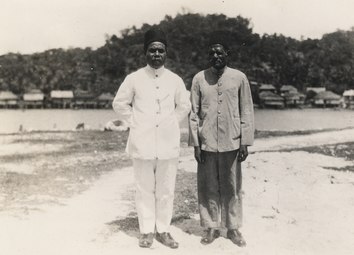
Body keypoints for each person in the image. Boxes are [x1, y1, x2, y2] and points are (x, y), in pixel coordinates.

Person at [112, 28, 190, 249]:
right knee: (144, 187)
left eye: (160, 51)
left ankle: (163, 230)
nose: (156, 54)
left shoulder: (175, 80)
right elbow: (119, 103)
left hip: (168, 141)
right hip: (142, 141)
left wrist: (171, 121)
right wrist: (135, 119)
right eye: (152, 50)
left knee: (166, 188)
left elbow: (184, 105)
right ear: (145, 53)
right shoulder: (134, 78)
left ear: (166, 53)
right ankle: (146, 231)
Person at [188, 31, 254, 247]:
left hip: (232, 141)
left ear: (227, 54)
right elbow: (193, 114)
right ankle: (211, 227)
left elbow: (246, 110)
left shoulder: (239, 77)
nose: (216, 56)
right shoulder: (199, 78)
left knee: (232, 186)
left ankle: (233, 228)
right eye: (212, 53)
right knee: (208, 186)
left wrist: (245, 141)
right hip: (206, 142)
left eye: (220, 52)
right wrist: (196, 144)